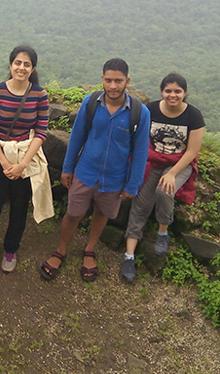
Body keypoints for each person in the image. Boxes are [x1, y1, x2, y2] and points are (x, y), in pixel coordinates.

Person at [40, 58, 150, 282]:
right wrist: (67, 168)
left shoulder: (140, 113)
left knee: (102, 213)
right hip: (86, 172)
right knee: (73, 213)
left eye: (118, 81)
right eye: (108, 80)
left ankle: (89, 249)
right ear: (102, 79)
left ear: (127, 81)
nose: (112, 86)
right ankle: (61, 250)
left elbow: (140, 151)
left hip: (115, 177)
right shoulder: (91, 104)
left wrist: (133, 184)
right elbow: (77, 138)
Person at [0, 45, 51, 273]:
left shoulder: (39, 95)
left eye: (26, 64)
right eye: (17, 63)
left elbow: (41, 131)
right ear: (10, 64)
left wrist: (22, 165)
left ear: (33, 68)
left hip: (25, 156)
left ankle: (11, 248)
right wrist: (5, 162)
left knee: (19, 206)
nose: (21, 68)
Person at [120, 72, 205, 282]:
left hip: (179, 164)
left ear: (185, 93)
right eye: (168, 90)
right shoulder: (152, 110)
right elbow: (140, 138)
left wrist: (173, 173)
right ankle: (129, 255)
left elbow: (191, 152)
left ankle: (163, 231)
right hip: (152, 160)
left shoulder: (193, 116)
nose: (172, 95)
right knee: (139, 202)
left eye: (177, 91)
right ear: (162, 91)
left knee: (164, 190)